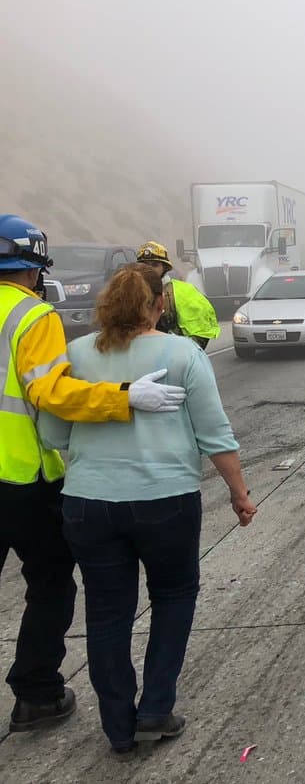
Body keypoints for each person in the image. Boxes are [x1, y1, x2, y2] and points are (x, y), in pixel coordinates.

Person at [38, 264, 256, 756]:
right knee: (174, 596)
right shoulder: (183, 353)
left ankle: (118, 727)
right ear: (159, 305)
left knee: (106, 613)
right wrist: (239, 494)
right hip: (165, 501)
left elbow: (52, 433)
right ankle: (156, 708)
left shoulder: (75, 354)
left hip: (89, 504)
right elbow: (215, 435)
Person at [0, 215, 186, 736]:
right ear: (34, 268)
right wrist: (124, 397)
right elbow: (50, 393)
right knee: (50, 582)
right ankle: (36, 695)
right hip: (22, 480)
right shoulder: (31, 314)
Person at [135, 243, 220, 350]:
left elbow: (200, 335)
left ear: (165, 268)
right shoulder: (127, 293)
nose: (148, 269)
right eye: (144, 265)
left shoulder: (185, 292)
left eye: (154, 265)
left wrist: (179, 353)